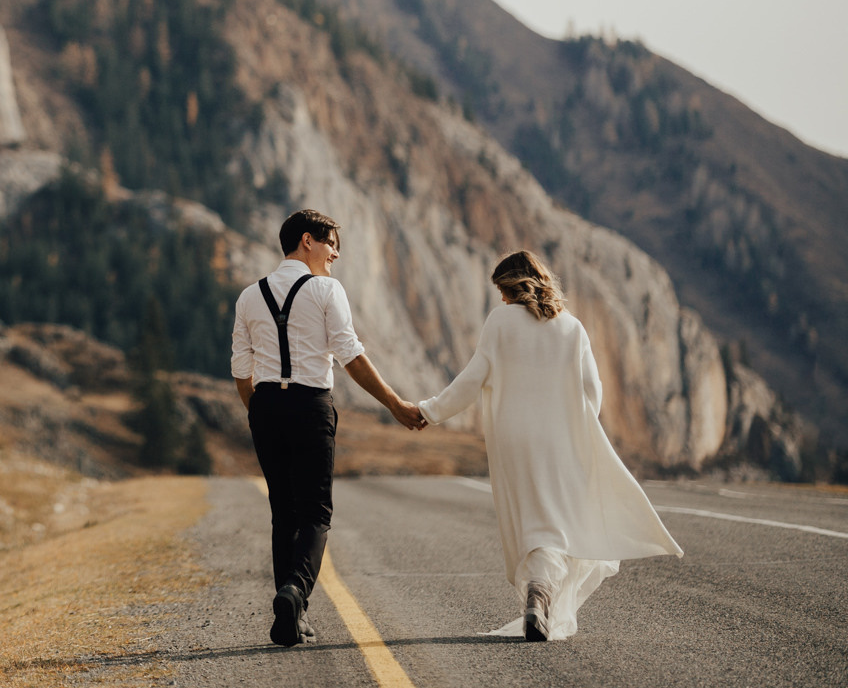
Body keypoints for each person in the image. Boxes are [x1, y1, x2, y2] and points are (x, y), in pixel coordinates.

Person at [416, 250, 682, 640]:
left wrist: (429, 411)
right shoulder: (572, 327)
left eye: (502, 292)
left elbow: (472, 380)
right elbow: (592, 390)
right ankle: (540, 593)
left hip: (514, 438)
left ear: (509, 288)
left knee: (532, 517)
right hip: (559, 436)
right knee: (555, 517)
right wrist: (576, 425)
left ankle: (537, 592)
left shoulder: (500, 321)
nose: (502, 300)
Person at [233, 209, 427, 648]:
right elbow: (350, 356)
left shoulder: (249, 296)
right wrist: (394, 403)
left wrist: (258, 411)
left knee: (283, 512)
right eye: (332, 243)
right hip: (310, 406)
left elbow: (241, 371)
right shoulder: (326, 289)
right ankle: (295, 593)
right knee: (316, 513)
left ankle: (292, 617)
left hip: (265, 407)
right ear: (307, 241)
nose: (336, 253)